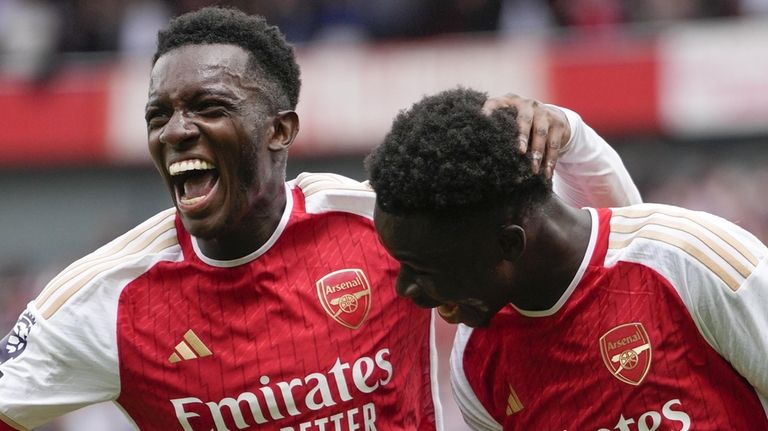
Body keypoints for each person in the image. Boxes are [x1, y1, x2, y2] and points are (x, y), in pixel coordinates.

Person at [0, 7, 641, 431]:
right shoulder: (103, 303)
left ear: (280, 130)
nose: (176, 132)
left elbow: (613, 266)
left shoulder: (375, 223)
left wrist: (576, 140)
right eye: (158, 116)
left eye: (207, 107)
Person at [367, 87, 768, 430]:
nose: (406, 290)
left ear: (509, 246)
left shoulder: (690, 262)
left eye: (422, 269)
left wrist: (575, 133)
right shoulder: (476, 364)